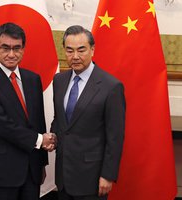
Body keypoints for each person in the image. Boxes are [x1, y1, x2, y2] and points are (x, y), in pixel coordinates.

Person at [0, 23, 56, 200]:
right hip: (1, 173)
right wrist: (40, 140)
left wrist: (41, 163)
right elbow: (0, 124)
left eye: (17, 48)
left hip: (31, 172)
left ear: (23, 49)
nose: (11, 54)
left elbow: (38, 121)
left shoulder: (33, 79)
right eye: (5, 48)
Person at [51, 25, 126, 200]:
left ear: (92, 49)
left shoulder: (111, 86)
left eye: (81, 50)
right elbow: (61, 120)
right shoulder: (59, 81)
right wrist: (53, 136)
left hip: (92, 177)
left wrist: (108, 175)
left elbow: (115, 137)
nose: (75, 57)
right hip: (63, 174)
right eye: (69, 51)